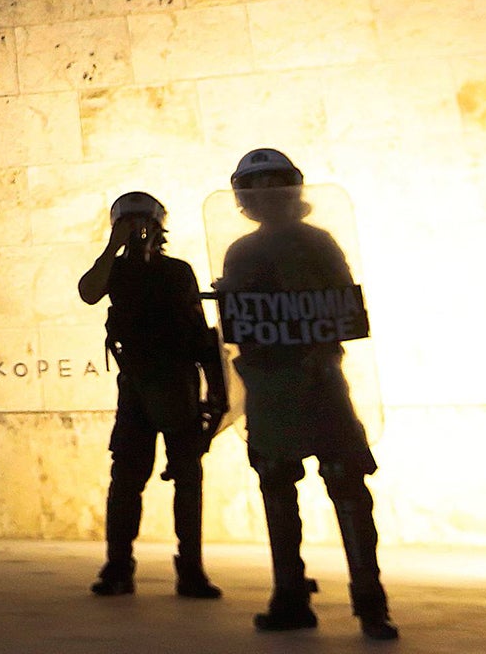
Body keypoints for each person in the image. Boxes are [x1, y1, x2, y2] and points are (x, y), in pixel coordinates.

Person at [216, 150, 397, 641]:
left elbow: (340, 302)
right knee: (280, 488)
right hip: (274, 382)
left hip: (317, 376)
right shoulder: (245, 252)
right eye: (259, 189)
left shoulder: (314, 243)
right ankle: (293, 595)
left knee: (346, 485)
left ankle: (367, 600)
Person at [77, 190, 226, 600]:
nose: (140, 231)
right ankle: (118, 565)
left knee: (187, 478)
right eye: (131, 223)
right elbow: (89, 291)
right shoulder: (116, 271)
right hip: (137, 387)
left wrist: (216, 391)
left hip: (178, 382)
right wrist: (113, 248)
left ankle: (191, 568)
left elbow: (198, 331)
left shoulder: (177, 271)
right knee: (126, 478)